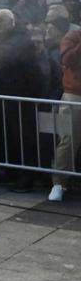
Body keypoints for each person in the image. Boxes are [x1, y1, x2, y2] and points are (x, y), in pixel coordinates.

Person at [0, 8, 47, 192]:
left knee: (24, 139)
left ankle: (27, 176)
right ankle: (14, 172)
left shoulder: (22, 41)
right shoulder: (2, 41)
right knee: (10, 138)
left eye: (1, 21)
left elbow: (30, 71)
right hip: (5, 98)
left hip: (21, 98)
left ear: (12, 22)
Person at [49, 24, 81, 200]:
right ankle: (59, 183)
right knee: (68, 140)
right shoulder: (71, 37)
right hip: (74, 95)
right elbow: (68, 60)